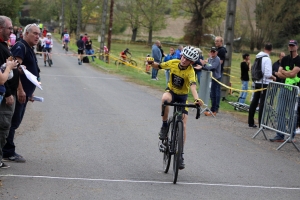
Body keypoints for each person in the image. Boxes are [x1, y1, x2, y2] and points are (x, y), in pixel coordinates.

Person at [147, 46, 203, 170]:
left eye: (187, 60)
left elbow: (193, 86)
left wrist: (196, 99)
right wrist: (151, 63)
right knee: (165, 99)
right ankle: (165, 125)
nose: (184, 60)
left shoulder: (190, 71)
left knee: (183, 124)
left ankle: (180, 155)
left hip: (183, 97)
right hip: (171, 92)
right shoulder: (173, 63)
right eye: (183, 57)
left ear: (191, 62)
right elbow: (159, 66)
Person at [2, 23, 41, 163]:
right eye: (34, 33)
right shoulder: (21, 46)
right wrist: (20, 89)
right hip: (18, 93)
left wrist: (30, 92)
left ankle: (7, 149)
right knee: (12, 122)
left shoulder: (29, 48)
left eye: (39, 34)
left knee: (15, 122)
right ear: (26, 33)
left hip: (25, 93)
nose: (38, 36)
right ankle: (8, 151)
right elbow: (15, 70)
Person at [269, 40, 300, 142]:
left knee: (292, 113)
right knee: (280, 111)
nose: (291, 47)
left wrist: (284, 72)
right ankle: (280, 134)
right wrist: (287, 73)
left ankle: (291, 135)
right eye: (290, 46)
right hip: (283, 87)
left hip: (294, 90)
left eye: (293, 46)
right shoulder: (285, 59)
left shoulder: (299, 59)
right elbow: (279, 73)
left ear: (297, 47)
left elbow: (293, 74)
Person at [0, 16, 20, 169]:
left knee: (5, 126)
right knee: (3, 126)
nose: (12, 31)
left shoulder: (3, 45)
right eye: (9, 28)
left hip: (6, 91)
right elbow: (1, 78)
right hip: (4, 94)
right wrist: (7, 94)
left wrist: (15, 66)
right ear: (1, 28)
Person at [248, 43, 276, 128]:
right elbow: (267, 74)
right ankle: (261, 124)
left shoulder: (258, 57)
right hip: (264, 83)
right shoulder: (267, 59)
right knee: (262, 103)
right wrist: (274, 77)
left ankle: (251, 121)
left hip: (257, 81)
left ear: (264, 48)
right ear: (271, 49)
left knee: (254, 101)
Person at [199, 47, 222, 116]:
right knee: (211, 94)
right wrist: (204, 64)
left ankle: (213, 110)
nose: (212, 53)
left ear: (216, 52)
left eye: (214, 52)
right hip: (211, 78)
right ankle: (212, 108)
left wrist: (203, 66)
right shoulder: (210, 59)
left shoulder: (217, 59)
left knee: (214, 94)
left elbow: (212, 67)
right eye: (211, 51)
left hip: (216, 78)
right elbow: (209, 66)